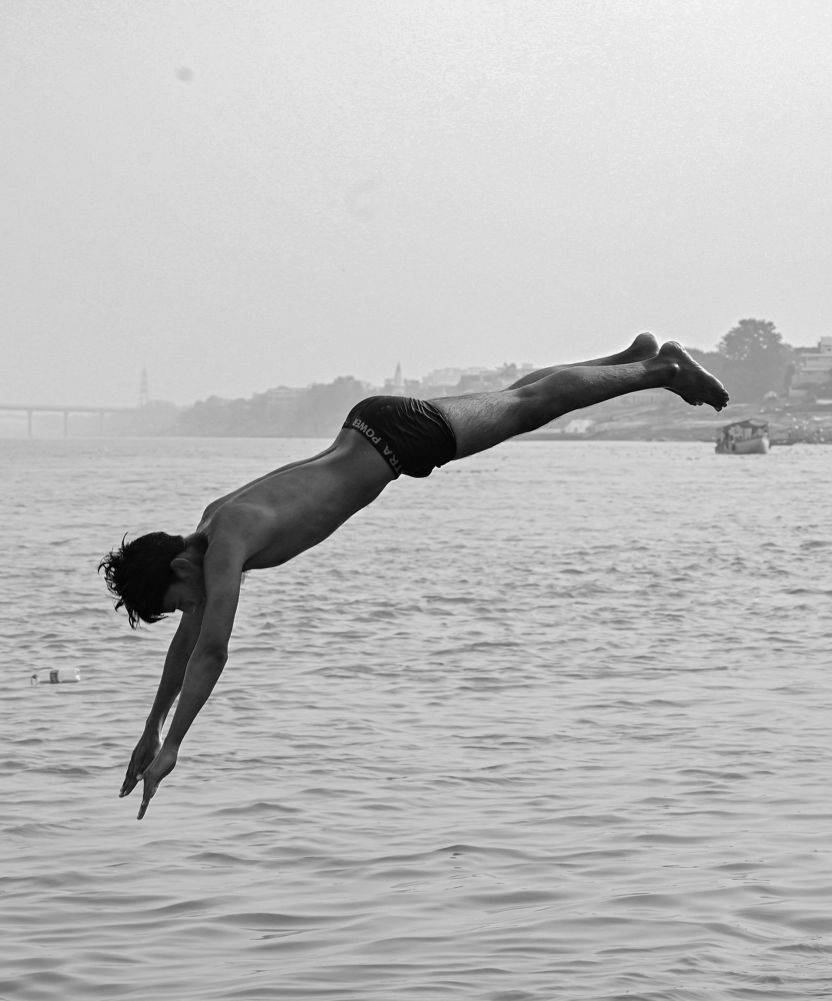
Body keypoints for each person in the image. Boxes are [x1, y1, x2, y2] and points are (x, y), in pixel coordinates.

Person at [100, 334, 729, 818]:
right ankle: (629, 359)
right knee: (516, 398)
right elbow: (189, 643)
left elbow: (212, 650)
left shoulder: (224, 548)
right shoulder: (213, 524)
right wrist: (149, 732)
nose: (189, 609)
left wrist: (175, 745)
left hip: (398, 442)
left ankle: (660, 370)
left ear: (179, 567)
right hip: (374, 426)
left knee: (526, 406)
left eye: (179, 600)